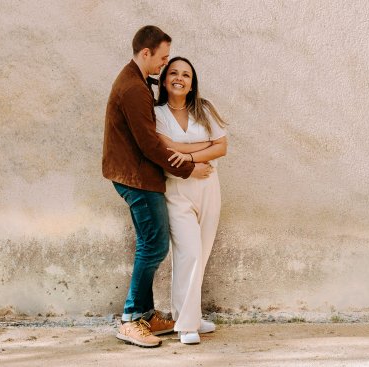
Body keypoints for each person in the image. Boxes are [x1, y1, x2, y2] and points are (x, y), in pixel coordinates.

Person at [102, 26, 212, 348]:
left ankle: (146, 315)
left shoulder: (135, 81)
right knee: (154, 245)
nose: (165, 65)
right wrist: (189, 168)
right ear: (145, 52)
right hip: (136, 179)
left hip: (137, 176)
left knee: (150, 243)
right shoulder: (133, 88)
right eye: (163, 59)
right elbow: (150, 145)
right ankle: (131, 318)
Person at [154, 56, 228, 344]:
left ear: (192, 82)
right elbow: (165, 148)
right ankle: (186, 326)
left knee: (203, 252)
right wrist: (201, 148)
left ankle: (190, 315)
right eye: (173, 72)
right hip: (177, 189)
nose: (179, 78)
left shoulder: (204, 109)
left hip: (209, 185)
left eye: (186, 75)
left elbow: (222, 146)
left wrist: (188, 155)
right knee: (189, 253)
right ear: (164, 80)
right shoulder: (157, 113)